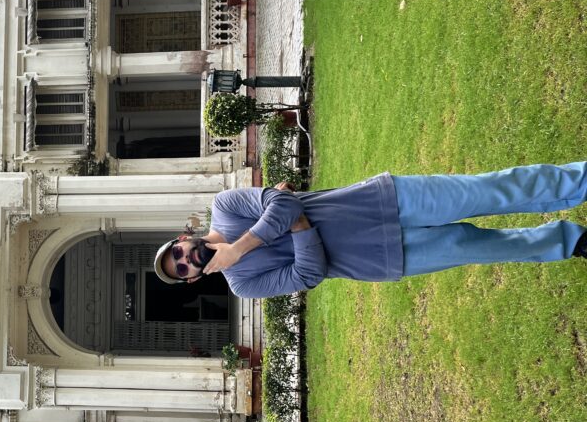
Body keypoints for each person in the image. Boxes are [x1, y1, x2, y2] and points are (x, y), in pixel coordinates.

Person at [153, 162, 587, 299]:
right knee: (488, 247)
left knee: (490, 190)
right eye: (184, 270)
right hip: (384, 257)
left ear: (182, 238)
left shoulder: (226, 207)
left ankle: (578, 181)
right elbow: (308, 273)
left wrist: (245, 242)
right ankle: (571, 241)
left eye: (180, 254)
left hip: (382, 201)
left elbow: (282, 202)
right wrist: (296, 220)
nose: (188, 261)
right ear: (192, 279)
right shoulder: (243, 284)